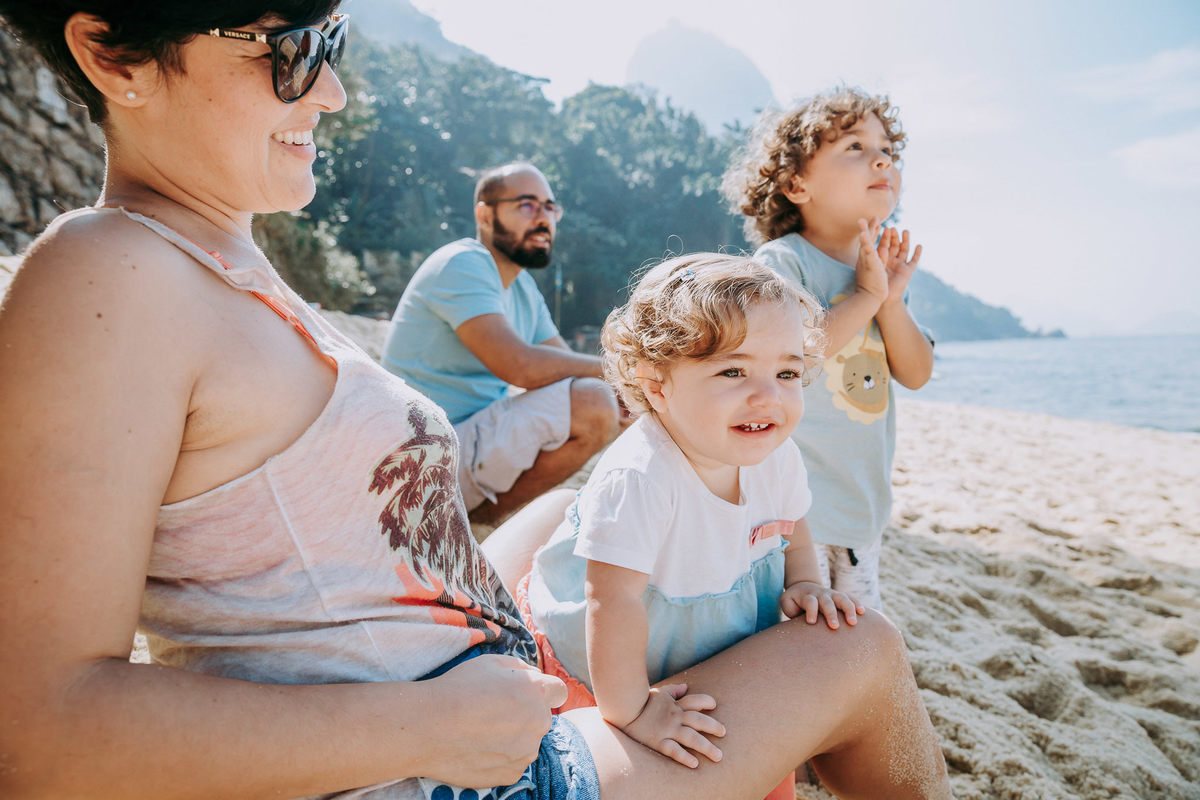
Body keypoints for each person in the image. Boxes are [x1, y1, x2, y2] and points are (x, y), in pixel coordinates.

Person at [0, 4, 952, 798]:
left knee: (581, 514)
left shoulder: (211, 268)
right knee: (860, 652)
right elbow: (33, 737)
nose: (329, 91)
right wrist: (423, 728)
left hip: (476, 696)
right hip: (462, 770)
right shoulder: (108, 276)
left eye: (331, 44)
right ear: (113, 56)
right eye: (288, 49)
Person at [519, 254, 865, 800]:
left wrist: (804, 581)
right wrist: (634, 711)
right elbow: (612, 602)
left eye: (787, 373)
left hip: (704, 647)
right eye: (733, 371)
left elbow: (791, 523)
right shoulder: (641, 477)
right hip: (606, 666)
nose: (768, 395)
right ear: (656, 385)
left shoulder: (777, 455)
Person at [722, 86, 935, 611]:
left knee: (855, 625)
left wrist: (889, 300)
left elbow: (916, 372)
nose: (881, 159)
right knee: (796, 623)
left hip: (862, 505)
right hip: (794, 507)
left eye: (887, 149)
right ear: (797, 184)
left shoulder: (879, 272)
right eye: (854, 147)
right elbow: (794, 352)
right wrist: (866, 296)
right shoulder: (782, 262)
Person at [381, 163, 621, 525]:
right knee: (595, 403)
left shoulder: (523, 287)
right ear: (485, 215)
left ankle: (476, 522)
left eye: (550, 208)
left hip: (465, 442)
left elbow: (563, 366)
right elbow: (520, 367)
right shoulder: (462, 263)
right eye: (527, 205)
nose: (543, 218)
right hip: (417, 454)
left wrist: (626, 388)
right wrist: (617, 370)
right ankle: (474, 526)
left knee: (617, 402)